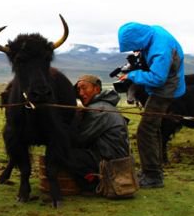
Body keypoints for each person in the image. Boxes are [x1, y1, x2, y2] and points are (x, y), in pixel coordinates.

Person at [117, 22, 185, 188]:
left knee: (145, 131)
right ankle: (154, 169)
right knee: (153, 129)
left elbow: (158, 78)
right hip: (165, 86)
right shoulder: (153, 33)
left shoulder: (161, 49)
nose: (135, 50)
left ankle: (153, 176)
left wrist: (133, 75)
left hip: (165, 90)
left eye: (135, 46)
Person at [66, 74, 130, 192]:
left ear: (97, 89)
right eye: (79, 89)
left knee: (65, 153)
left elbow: (80, 140)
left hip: (110, 161)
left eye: (84, 88)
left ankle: (95, 184)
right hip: (116, 157)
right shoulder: (104, 105)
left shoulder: (97, 110)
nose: (81, 93)